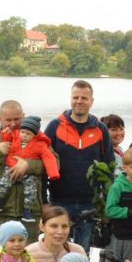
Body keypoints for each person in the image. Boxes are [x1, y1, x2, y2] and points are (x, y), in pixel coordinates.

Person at [44, 80, 115, 251]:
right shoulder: (55, 126)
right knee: (55, 251)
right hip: (59, 201)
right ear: (70, 99)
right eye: (75, 97)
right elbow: (42, 164)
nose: (79, 101)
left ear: (92, 101)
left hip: (89, 203)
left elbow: (109, 167)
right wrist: (44, 201)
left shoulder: (100, 129)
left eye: (84, 98)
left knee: (81, 253)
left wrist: (106, 201)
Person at [0, 100, 47, 247]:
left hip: (29, 217)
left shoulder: (38, 138)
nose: (13, 124)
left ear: (23, 116)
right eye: (8, 120)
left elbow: (55, 164)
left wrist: (28, 165)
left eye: (17, 119)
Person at [0, 115, 59, 222]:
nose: (24, 135)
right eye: (23, 132)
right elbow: (6, 142)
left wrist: (53, 173)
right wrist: (5, 134)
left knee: (31, 189)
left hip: (28, 173)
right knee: (4, 183)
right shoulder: (15, 136)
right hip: (11, 167)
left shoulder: (40, 145)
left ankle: (28, 211)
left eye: (28, 134)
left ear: (34, 135)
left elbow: (49, 158)